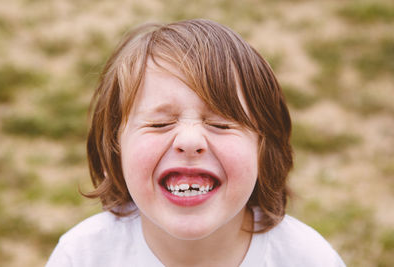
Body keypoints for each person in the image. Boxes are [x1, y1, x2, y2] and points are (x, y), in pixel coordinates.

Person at [46, 19, 345, 267]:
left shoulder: (307, 259)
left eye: (221, 124)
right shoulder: (83, 256)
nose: (190, 141)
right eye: (159, 124)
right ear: (115, 150)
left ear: (264, 150)